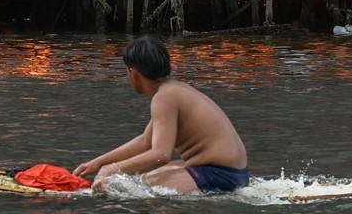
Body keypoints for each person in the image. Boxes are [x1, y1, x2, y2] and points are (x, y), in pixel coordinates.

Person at [73, 36, 248, 194]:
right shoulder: (172, 90)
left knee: (137, 185)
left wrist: (111, 170)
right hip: (233, 173)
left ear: (133, 73)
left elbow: (161, 154)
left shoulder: (164, 97)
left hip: (222, 175)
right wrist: (98, 163)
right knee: (140, 176)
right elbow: (145, 141)